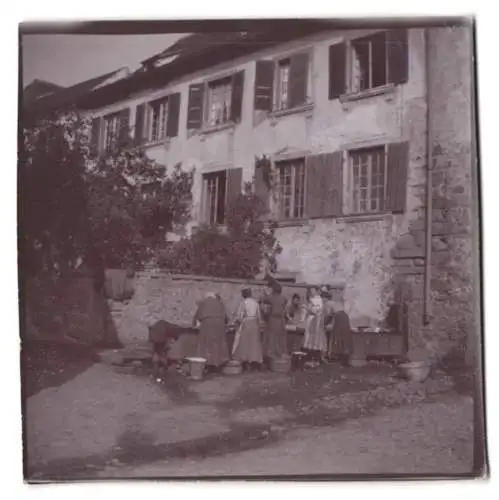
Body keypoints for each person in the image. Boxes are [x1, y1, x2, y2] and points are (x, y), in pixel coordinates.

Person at [192, 292, 230, 373]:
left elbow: (197, 316)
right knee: (218, 345)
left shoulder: (203, 303)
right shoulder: (220, 303)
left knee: (206, 345)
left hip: (207, 325)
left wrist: (194, 324)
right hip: (220, 325)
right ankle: (217, 365)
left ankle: (207, 365)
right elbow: (226, 318)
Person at [232, 288, 263, 371]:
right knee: (254, 343)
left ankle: (246, 361)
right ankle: (254, 361)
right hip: (255, 325)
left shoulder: (243, 303)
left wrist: (235, 321)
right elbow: (259, 316)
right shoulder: (256, 303)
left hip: (246, 324)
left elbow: (239, 316)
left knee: (245, 343)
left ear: (244, 295)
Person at [262, 280, 289, 366]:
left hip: (273, 319)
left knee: (271, 338)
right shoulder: (284, 298)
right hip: (281, 320)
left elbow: (264, 299)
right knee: (280, 337)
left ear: (274, 290)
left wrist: (265, 292)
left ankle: (271, 355)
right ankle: (279, 354)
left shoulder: (271, 297)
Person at [303, 286, 328, 364]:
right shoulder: (314, 299)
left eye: (312, 291)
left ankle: (315, 357)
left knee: (315, 338)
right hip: (313, 320)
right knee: (312, 338)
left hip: (315, 320)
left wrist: (307, 308)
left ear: (317, 291)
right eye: (311, 291)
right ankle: (312, 357)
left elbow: (316, 311)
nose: (311, 292)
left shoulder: (317, 299)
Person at [327, 301, 354, 365]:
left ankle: (336, 359)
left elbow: (332, 326)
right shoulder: (345, 314)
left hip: (338, 336)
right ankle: (345, 361)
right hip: (346, 337)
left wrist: (325, 327)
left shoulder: (336, 315)